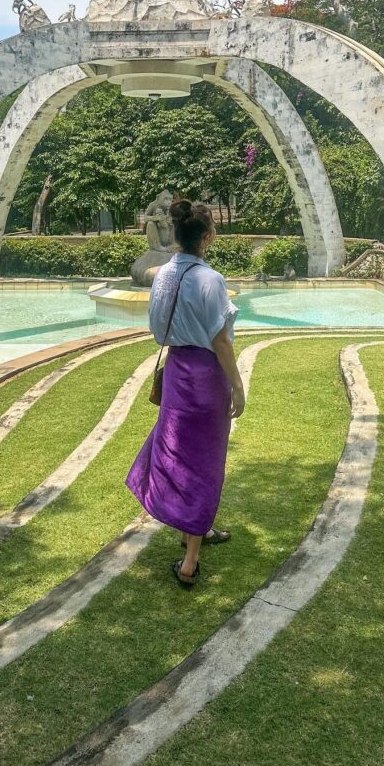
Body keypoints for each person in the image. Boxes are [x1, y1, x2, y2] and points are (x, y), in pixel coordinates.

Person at [126, 199, 245, 588]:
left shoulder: (161, 275)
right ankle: (190, 561)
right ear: (208, 236)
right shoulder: (211, 279)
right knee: (205, 462)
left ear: (175, 234)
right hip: (207, 377)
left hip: (177, 372)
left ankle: (197, 529)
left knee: (179, 454)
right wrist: (238, 385)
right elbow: (221, 343)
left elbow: (157, 330)